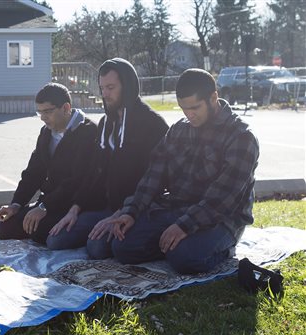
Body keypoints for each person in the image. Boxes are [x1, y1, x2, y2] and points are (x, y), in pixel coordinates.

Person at [90, 68, 259, 274]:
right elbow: (154, 176)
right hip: (176, 208)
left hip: (222, 218)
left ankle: (218, 248)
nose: (189, 115)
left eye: (195, 107)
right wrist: (131, 211)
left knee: (184, 259)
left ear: (213, 98)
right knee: (123, 248)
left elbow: (222, 199)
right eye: (183, 109)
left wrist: (184, 226)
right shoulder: (180, 129)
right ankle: (173, 245)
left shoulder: (241, 137)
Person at [47, 58, 168, 255]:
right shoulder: (105, 123)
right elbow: (93, 172)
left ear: (127, 87)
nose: (105, 94)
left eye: (111, 87)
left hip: (136, 210)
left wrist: (124, 212)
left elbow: (156, 182)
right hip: (105, 207)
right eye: (102, 88)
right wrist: (75, 209)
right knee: (56, 239)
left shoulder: (153, 124)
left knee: (97, 247)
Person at [0, 83, 98, 244]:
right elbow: (33, 172)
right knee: (3, 228)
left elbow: (77, 180)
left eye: (47, 111)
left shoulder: (88, 132)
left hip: (75, 205)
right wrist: (16, 204)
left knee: (46, 236)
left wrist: (44, 207)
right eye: (39, 112)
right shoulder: (46, 132)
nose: (42, 117)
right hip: (49, 202)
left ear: (66, 108)